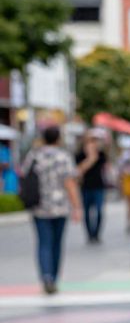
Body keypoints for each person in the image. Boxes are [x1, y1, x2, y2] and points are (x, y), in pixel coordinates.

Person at [22, 124, 82, 294]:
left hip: (39, 206)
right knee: (56, 243)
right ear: (58, 138)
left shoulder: (34, 156)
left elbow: (25, 177)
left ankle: (46, 276)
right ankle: (54, 278)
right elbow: (70, 183)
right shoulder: (64, 157)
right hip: (60, 206)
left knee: (43, 243)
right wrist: (77, 207)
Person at [74, 129, 109, 243]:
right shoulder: (80, 155)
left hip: (99, 186)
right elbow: (78, 171)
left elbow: (106, 167)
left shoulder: (101, 154)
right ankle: (89, 235)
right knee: (87, 212)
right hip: (85, 187)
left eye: (94, 141)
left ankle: (96, 234)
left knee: (99, 211)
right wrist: (90, 159)